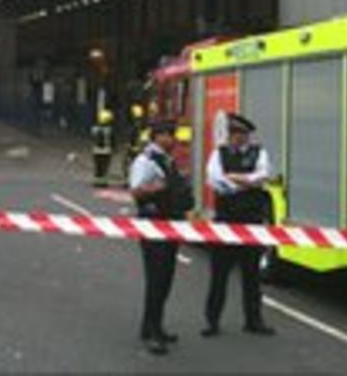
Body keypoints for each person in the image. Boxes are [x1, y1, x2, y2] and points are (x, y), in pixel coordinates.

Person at [202, 113, 275, 337]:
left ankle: (254, 321)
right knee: (219, 276)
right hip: (225, 222)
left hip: (251, 222)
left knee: (252, 276)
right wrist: (243, 183)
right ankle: (212, 322)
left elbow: (263, 176)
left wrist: (234, 178)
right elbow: (214, 180)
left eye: (240, 133)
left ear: (247, 135)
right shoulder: (219, 153)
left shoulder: (259, 153)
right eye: (233, 133)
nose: (236, 137)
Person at [129, 120, 192, 356]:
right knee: (156, 280)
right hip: (153, 225)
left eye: (173, 135)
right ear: (157, 136)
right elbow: (136, 191)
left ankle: (151, 326)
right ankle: (153, 333)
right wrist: (159, 188)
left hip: (169, 224)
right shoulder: (145, 160)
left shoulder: (166, 160)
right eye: (168, 135)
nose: (173, 139)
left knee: (165, 279)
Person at [92, 108, 115, 187]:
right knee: (104, 167)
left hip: (96, 151)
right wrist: (114, 149)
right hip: (106, 151)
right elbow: (112, 141)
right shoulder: (109, 130)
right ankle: (103, 182)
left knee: (98, 167)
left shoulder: (95, 129)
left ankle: (97, 182)